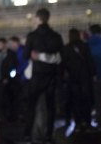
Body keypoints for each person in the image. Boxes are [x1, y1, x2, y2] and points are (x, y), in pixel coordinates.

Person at [22, 8, 63, 144]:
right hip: (51, 76)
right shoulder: (56, 36)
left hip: (36, 75)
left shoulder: (32, 36)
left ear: (38, 18)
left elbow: (25, 55)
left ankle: (28, 135)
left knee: (31, 107)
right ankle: (48, 135)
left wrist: (37, 55)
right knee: (50, 107)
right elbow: (61, 56)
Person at [61, 28, 95, 132]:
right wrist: (93, 74)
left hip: (73, 78)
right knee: (86, 101)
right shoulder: (85, 46)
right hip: (85, 78)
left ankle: (78, 124)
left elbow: (63, 64)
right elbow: (90, 61)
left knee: (76, 102)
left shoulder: (66, 48)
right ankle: (88, 123)